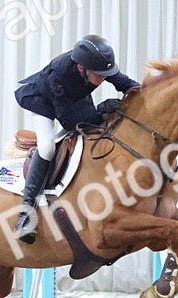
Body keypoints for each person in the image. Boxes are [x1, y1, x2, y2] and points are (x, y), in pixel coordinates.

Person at [12, 35, 140, 243]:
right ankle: (26, 213)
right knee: (47, 147)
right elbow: (71, 122)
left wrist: (143, 95)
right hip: (44, 102)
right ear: (81, 68)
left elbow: (124, 83)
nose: (104, 78)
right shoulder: (58, 76)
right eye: (100, 75)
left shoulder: (96, 67)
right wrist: (100, 109)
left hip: (75, 98)